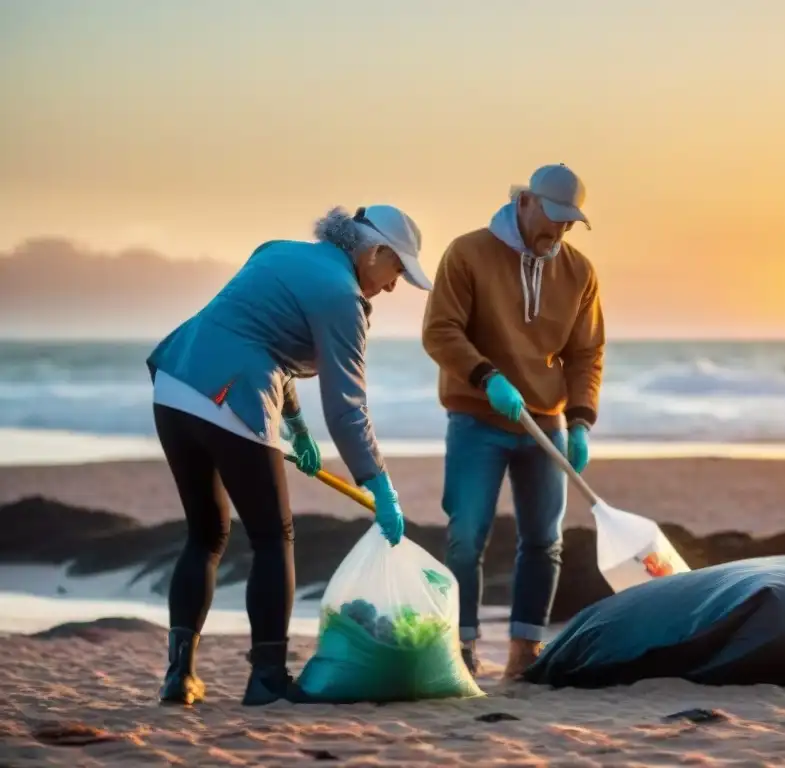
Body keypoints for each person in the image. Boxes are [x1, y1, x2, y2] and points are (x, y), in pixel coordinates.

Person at [146, 204, 432, 706]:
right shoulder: (342, 297)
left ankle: (179, 676)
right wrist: (379, 484)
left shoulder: (278, 251)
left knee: (206, 534)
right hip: (229, 398)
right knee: (273, 538)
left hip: (173, 386)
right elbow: (347, 409)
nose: (393, 286)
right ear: (375, 252)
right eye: (398, 272)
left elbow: (263, 342)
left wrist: (296, 426)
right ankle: (268, 679)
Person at [421, 163, 606, 679]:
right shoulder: (467, 253)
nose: (560, 232)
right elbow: (440, 331)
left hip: (545, 424)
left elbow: (586, 352)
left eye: (570, 223)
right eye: (553, 218)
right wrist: (485, 377)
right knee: (466, 535)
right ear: (525, 201)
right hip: (478, 417)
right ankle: (459, 647)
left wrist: (581, 419)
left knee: (545, 540)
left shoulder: (579, 272)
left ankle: (525, 652)